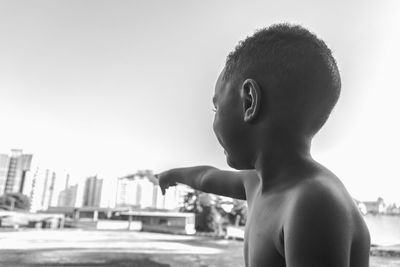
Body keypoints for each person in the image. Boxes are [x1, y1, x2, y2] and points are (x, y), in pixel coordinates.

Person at [157, 24, 370, 267]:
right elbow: (206, 177)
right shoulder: (257, 183)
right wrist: (172, 175)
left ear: (249, 101)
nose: (214, 120)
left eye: (216, 107)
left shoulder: (312, 202)